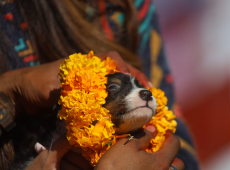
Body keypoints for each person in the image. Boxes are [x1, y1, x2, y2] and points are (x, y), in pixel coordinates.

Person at [0, 0, 199, 169]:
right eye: (113, 87)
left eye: (142, 86)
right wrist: (12, 89)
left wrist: (166, 162)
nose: (145, 92)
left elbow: (180, 142)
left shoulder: (120, 5)